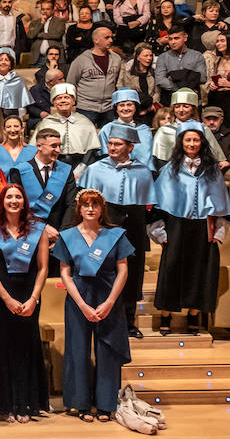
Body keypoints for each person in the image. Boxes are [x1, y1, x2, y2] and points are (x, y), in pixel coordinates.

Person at [53, 190, 135, 423]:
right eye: (86, 205)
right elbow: (64, 273)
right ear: (78, 209)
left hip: (108, 296)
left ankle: (106, 404)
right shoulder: (67, 236)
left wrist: (109, 302)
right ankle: (79, 403)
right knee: (77, 349)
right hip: (79, 297)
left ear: (102, 209)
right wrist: (82, 305)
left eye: (95, 205)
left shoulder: (116, 235)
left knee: (107, 351)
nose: (90, 208)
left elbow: (123, 270)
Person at [0, 185, 54, 422]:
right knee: (4, 347)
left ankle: (27, 403)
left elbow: (43, 268)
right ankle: (7, 404)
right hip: (3, 296)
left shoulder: (38, 230)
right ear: (1, 202)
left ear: (24, 201)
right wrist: (6, 298)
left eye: (18, 196)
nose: (13, 200)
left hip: (30, 296)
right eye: (9, 197)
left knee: (27, 346)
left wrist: (33, 298)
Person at [151, 121, 230, 334]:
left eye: (196, 139)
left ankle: (194, 315)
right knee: (172, 268)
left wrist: (218, 231)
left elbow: (220, 204)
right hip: (177, 225)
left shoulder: (212, 169)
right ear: (181, 142)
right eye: (188, 139)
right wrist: (160, 232)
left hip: (204, 226)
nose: (192, 143)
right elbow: (158, 206)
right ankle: (166, 315)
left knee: (201, 270)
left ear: (202, 142)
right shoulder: (170, 169)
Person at [78, 124, 155, 337]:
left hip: (134, 224)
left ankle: (129, 321)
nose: (112, 147)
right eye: (110, 143)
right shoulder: (95, 169)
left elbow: (148, 204)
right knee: (105, 269)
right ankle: (102, 317)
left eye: (117, 144)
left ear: (130, 147)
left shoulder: (142, 171)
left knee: (132, 270)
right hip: (106, 223)